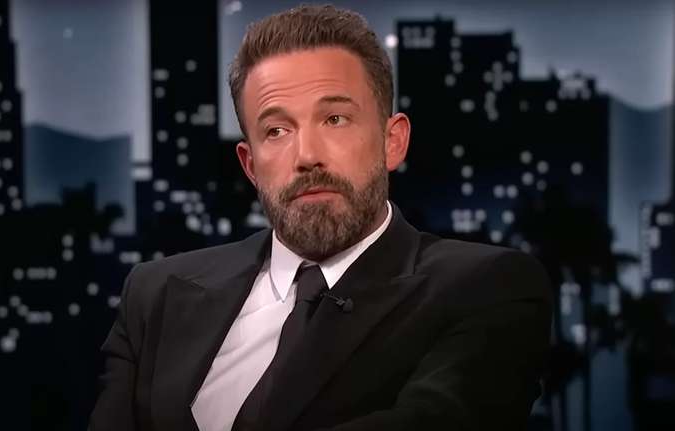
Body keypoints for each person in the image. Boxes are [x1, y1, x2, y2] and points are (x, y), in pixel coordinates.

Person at [90, 5, 552, 431]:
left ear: (393, 141)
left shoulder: (487, 287)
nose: (307, 155)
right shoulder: (154, 294)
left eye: (334, 119)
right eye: (276, 130)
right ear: (250, 165)